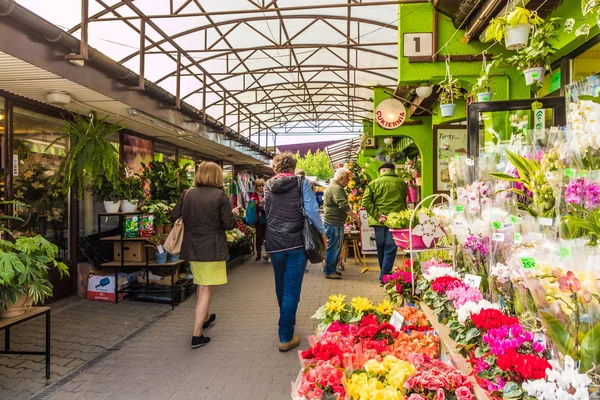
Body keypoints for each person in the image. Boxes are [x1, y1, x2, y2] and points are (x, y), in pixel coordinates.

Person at [170, 161, 239, 348]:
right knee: (205, 289)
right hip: (212, 248)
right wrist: (233, 214)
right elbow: (229, 224)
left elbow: (173, 215)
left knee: (201, 286)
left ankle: (206, 318)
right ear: (216, 176)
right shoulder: (220, 195)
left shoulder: (187, 193)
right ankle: (196, 334)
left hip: (192, 248)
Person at [264, 153, 325, 352]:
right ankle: (285, 335)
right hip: (296, 242)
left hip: (274, 242)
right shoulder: (301, 183)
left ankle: (286, 321)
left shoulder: (267, 185)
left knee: (281, 286)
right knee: (292, 290)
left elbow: (268, 210)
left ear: (275, 168)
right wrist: (322, 232)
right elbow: (313, 210)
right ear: (293, 166)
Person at [362, 163, 407, 285]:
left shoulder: (373, 184)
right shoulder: (402, 183)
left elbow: (365, 202)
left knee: (381, 248)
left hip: (378, 222)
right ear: (393, 170)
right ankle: (384, 276)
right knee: (390, 249)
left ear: (381, 171)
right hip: (395, 221)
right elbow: (404, 201)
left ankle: (384, 276)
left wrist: (378, 215)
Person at [322, 168, 360, 280]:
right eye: (347, 179)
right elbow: (343, 205)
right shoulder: (336, 188)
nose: (348, 182)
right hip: (334, 222)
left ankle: (331, 269)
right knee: (334, 247)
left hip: (334, 222)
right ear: (341, 178)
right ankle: (329, 271)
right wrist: (354, 216)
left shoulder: (334, 187)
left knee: (335, 246)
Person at [250, 179, 267, 261]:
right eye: (259, 186)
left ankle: (267, 253)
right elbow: (251, 207)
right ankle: (259, 253)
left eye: (262, 185)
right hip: (258, 219)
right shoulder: (253, 195)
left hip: (266, 219)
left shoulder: (266, 194)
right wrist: (254, 203)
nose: (261, 187)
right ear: (256, 187)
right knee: (259, 236)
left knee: (267, 236)